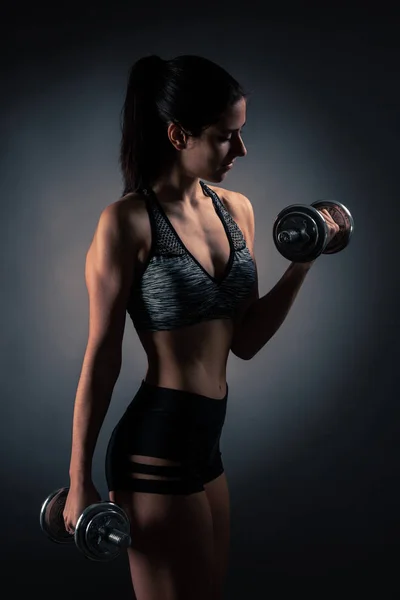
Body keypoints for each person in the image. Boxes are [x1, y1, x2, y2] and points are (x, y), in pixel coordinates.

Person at [62, 54, 339, 600]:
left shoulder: (238, 210)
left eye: (240, 134)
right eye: (225, 137)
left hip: (207, 445)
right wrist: (79, 481)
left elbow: (246, 342)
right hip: (155, 447)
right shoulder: (127, 222)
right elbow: (103, 358)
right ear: (177, 134)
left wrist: (303, 262)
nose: (240, 151)